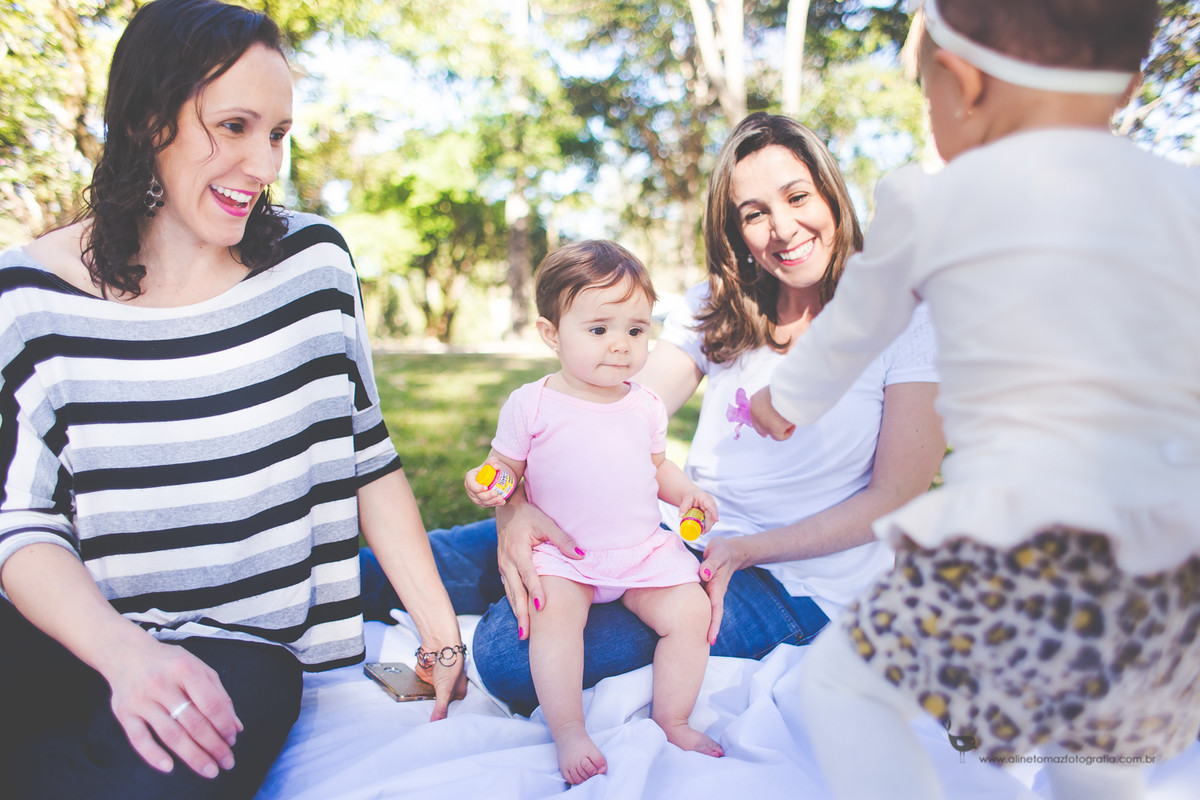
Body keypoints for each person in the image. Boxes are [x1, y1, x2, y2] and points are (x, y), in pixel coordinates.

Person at [0, 2, 465, 798]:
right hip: (78, 642)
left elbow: (365, 450)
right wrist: (126, 657)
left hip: (241, 657)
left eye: (277, 134)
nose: (263, 164)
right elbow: (22, 521)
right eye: (234, 127)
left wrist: (441, 631)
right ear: (147, 121)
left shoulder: (313, 264)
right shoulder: (27, 298)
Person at [749, 2, 1200, 799]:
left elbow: (850, 331)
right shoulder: (1182, 196)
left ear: (960, 84)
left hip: (1025, 546)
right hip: (1170, 562)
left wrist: (785, 399)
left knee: (842, 686)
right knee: (1097, 759)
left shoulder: (937, 207)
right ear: (1130, 86)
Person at [361, 112, 945, 714]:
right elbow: (606, 415)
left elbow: (893, 499)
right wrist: (515, 510)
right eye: (754, 214)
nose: (782, 228)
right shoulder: (722, 304)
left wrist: (748, 549)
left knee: (508, 656)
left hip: (795, 583)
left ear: (831, 193)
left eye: (797, 197)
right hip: (655, 531)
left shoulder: (911, 319)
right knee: (387, 568)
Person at [466, 241, 723, 783]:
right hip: (567, 555)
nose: (621, 345)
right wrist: (490, 482)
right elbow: (504, 466)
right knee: (554, 621)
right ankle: (569, 730)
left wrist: (686, 493)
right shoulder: (533, 403)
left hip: (640, 552)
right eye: (599, 329)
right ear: (552, 334)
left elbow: (657, 467)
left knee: (691, 612)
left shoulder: (645, 404)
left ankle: (673, 718)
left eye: (636, 330)